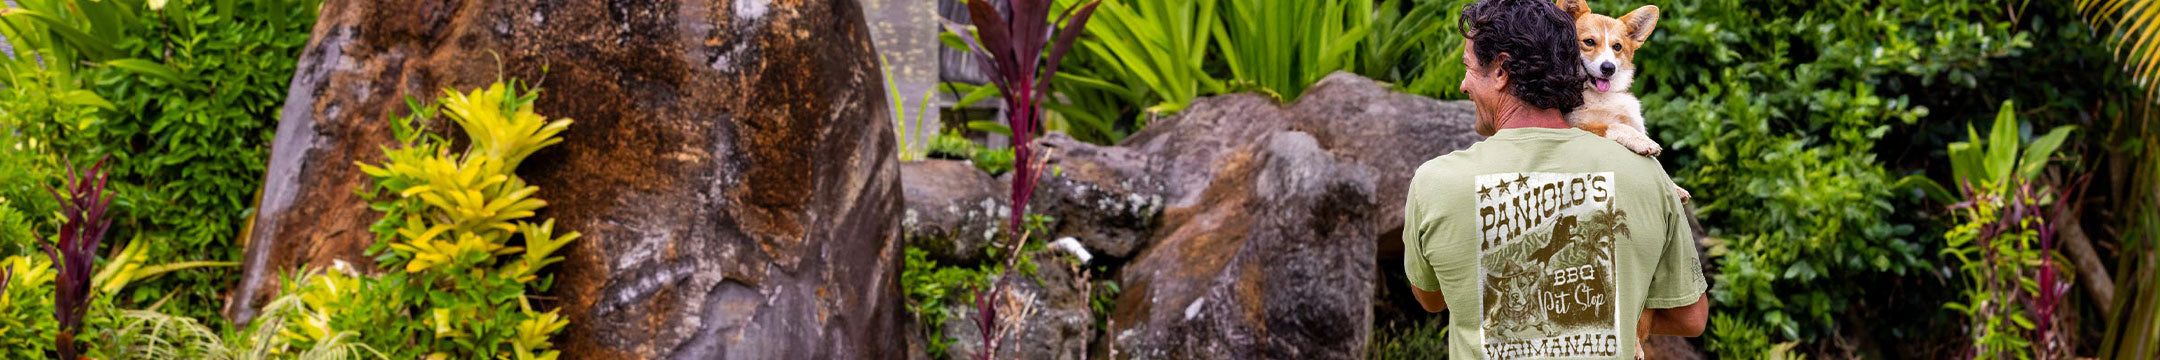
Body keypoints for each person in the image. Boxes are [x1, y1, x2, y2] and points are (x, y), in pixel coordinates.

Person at [1399, 0, 1708, 358]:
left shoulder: (1434, 183)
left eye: (1469, 68)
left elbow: (1431, 298)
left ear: (1501, 72)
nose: (1462, 84)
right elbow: (1690, 318)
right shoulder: (1647, 173)